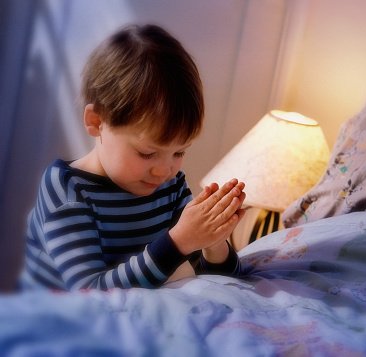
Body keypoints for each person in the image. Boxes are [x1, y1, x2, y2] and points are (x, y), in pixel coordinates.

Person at [20, 24, 246, 291]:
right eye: (147, 153)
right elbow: (88, 292)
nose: (164, 171)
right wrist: (178, 242)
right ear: (96, 122)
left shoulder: (170, 188)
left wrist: (213, 242)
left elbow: (219, 281)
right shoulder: (67, 189)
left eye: (179, 152)